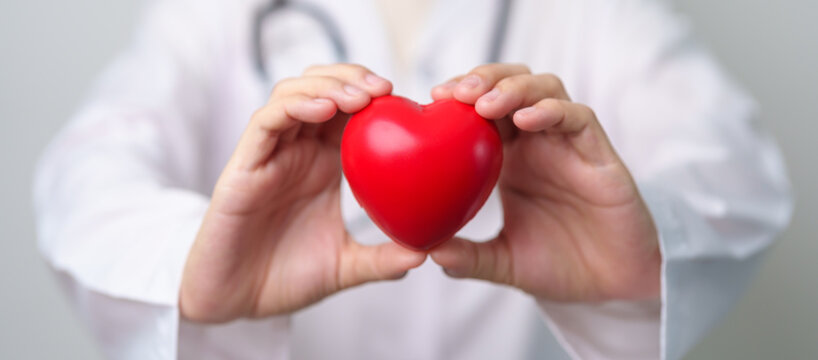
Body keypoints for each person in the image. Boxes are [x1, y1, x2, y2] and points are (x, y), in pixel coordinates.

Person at [33, 0, 792, 359]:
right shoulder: (211, 17)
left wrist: (648, 242)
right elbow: (82, 176)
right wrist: (191, 266)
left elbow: (740, 169)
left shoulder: (595, 15)